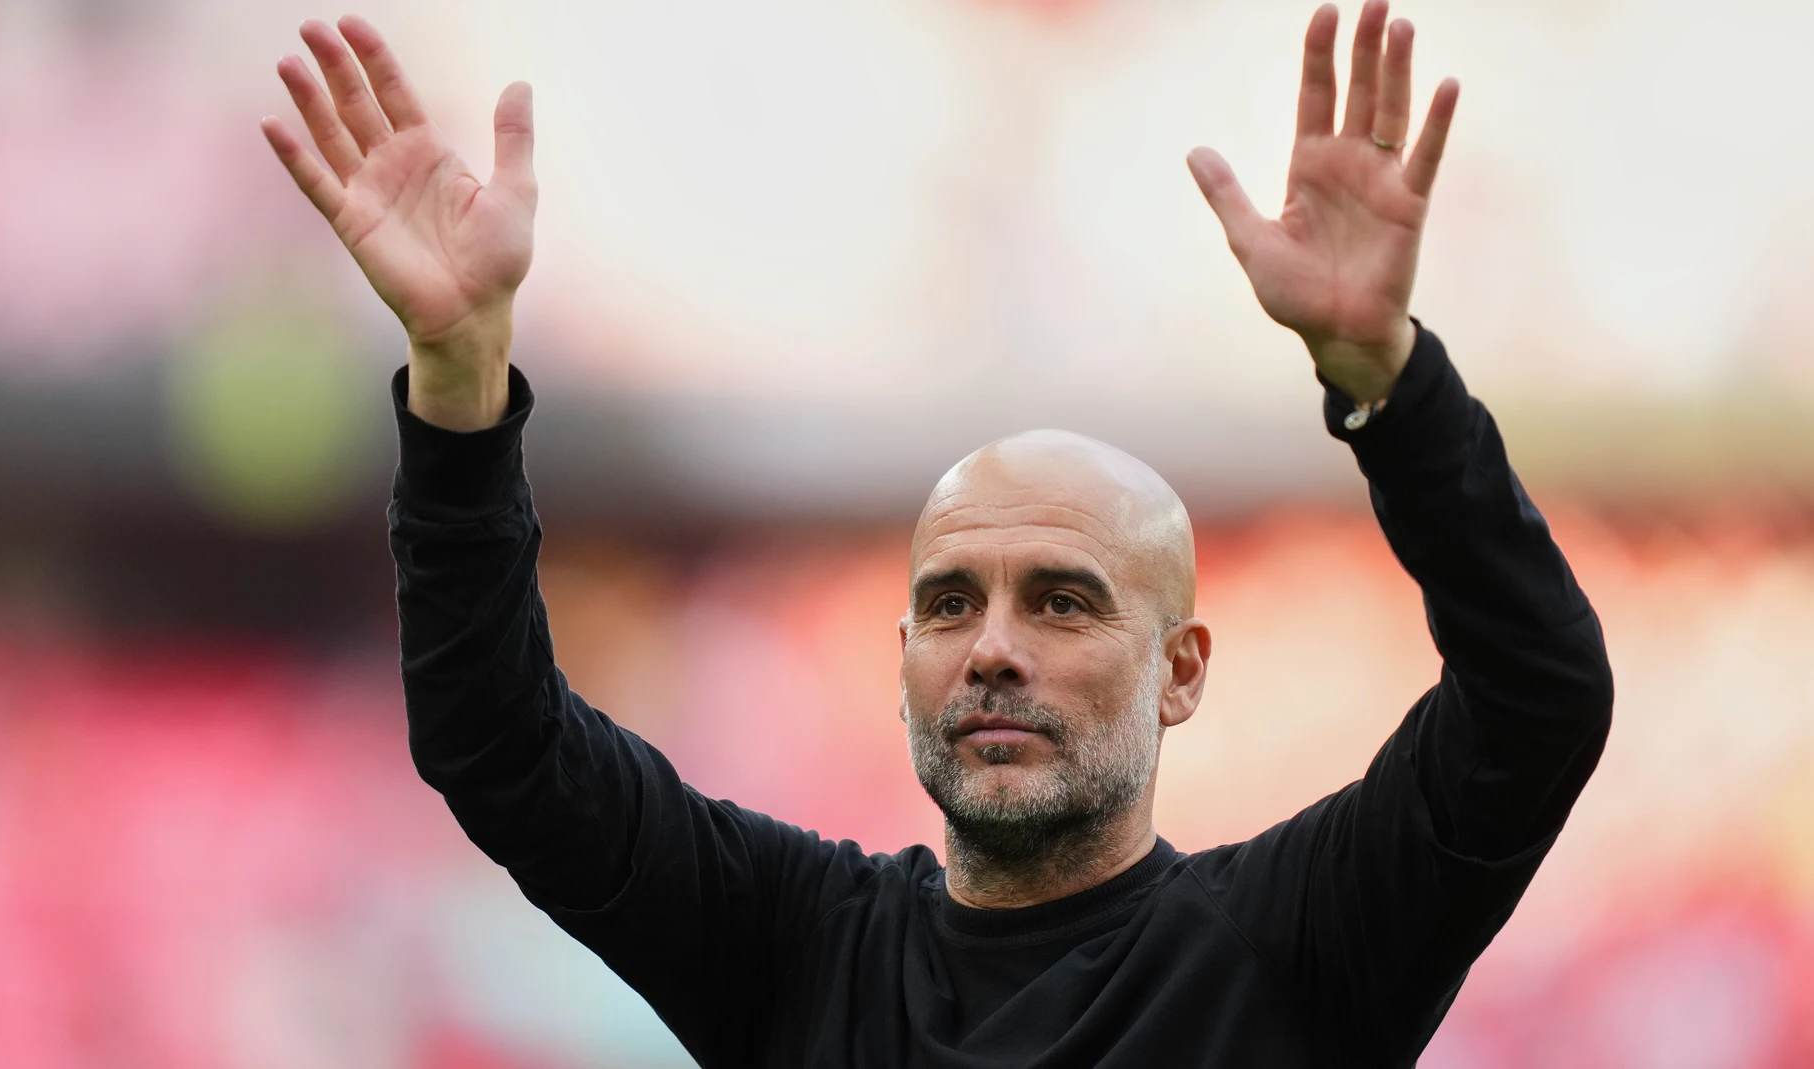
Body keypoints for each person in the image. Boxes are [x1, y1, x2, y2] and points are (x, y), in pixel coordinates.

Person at [261, 2, 1613, 1064]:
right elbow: (497, 745)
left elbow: (1539, 696)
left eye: (1066, 602)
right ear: (903, 656)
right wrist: (458, 377)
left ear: (1183, 669)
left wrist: (1385, 381)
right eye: (953, 604)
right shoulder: (793, 947)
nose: (995, 650)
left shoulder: (1291, 943)